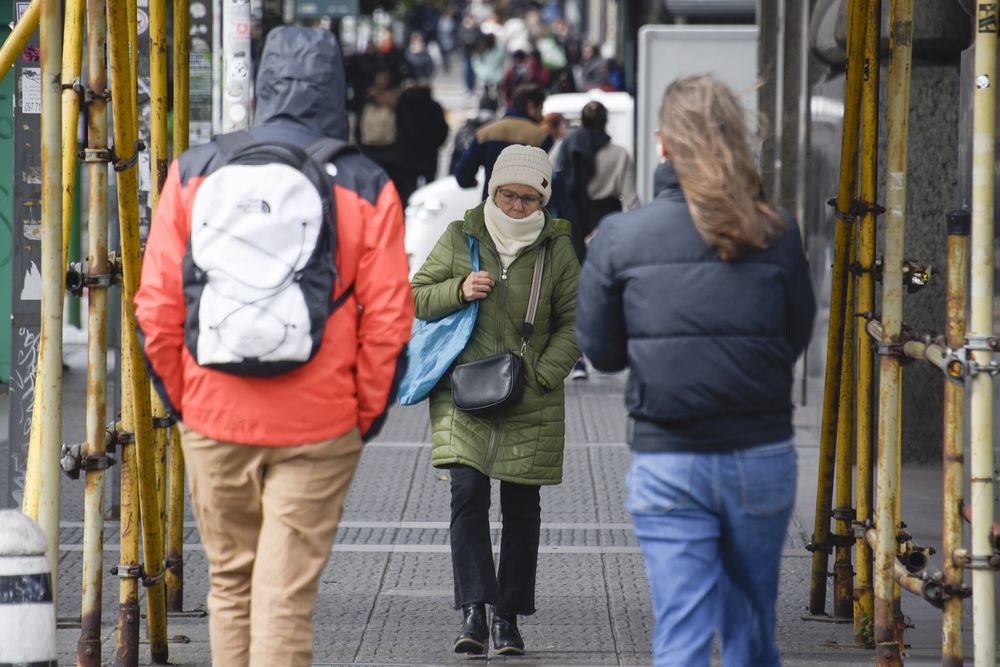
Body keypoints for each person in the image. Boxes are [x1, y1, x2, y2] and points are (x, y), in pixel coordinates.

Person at [134, 27, 414, 667]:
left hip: (214, 414)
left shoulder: (196, 170)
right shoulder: (367, 183)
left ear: (260, 89)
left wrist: (189, 405)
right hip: (319, 423)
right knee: (284, 597)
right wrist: (361, 414)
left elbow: (156, 307)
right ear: (334, 94)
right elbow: (391, 319)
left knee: (231, 585)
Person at [575, 75, 816, 666]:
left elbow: (601, 354)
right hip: (760, 453)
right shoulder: (775, 231)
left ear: (663, 145)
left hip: (668, 456)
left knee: (680, 631)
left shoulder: (619, 237)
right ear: (737, 141)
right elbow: (794, 336)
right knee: (751, 630)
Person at [411, 145, 580, 657]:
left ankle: (508, 618)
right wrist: (460, 288)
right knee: (467, 493)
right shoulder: (461, 236)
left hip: (531, 396)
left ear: (544, 198)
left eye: (529, 199)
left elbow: (574, 324)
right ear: (493, 191)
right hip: (465, 391)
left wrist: (544, 374)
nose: (516, 207)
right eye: (508, 195)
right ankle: (474, 612)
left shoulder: (557, 250)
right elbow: (417, 295)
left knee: (522, 507)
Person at [553, 100, 638, 380]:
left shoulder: (565, 149)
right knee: (604, 291)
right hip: (606, 225)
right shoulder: (620, 154)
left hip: (571, 223)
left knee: (572, 291)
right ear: (605, 123)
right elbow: (632, 200)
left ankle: (576, 358)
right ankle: (603, 349)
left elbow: (550, 181)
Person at [453, 84, 553, 200]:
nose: (542, 116)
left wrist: (473, 182)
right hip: (528, 209)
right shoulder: (541, 137)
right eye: (540, 109)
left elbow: (463, 177)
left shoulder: (485, 133)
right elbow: (548, 180)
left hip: (491, 207)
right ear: (530, 106)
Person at [395, 81, 449, 204]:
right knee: (430, 188)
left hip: (408, 155)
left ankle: (408, 212)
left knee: (408, 189)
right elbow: (442, 129)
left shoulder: (402, 106)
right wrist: (436, 144)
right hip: (429, 153)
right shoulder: (434, 106)